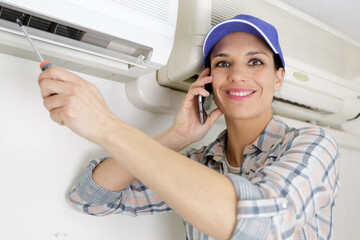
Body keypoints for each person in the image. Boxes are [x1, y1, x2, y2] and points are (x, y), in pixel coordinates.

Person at [38, 14, 340, 239]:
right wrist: (175, 137)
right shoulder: (199, 163)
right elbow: (91, 199)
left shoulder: (312, 144)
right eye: (223, 63)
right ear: (208, 81)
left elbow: (263, 225)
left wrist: (107, 125)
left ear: (278, 77)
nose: (237, 74)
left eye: (255, 62)